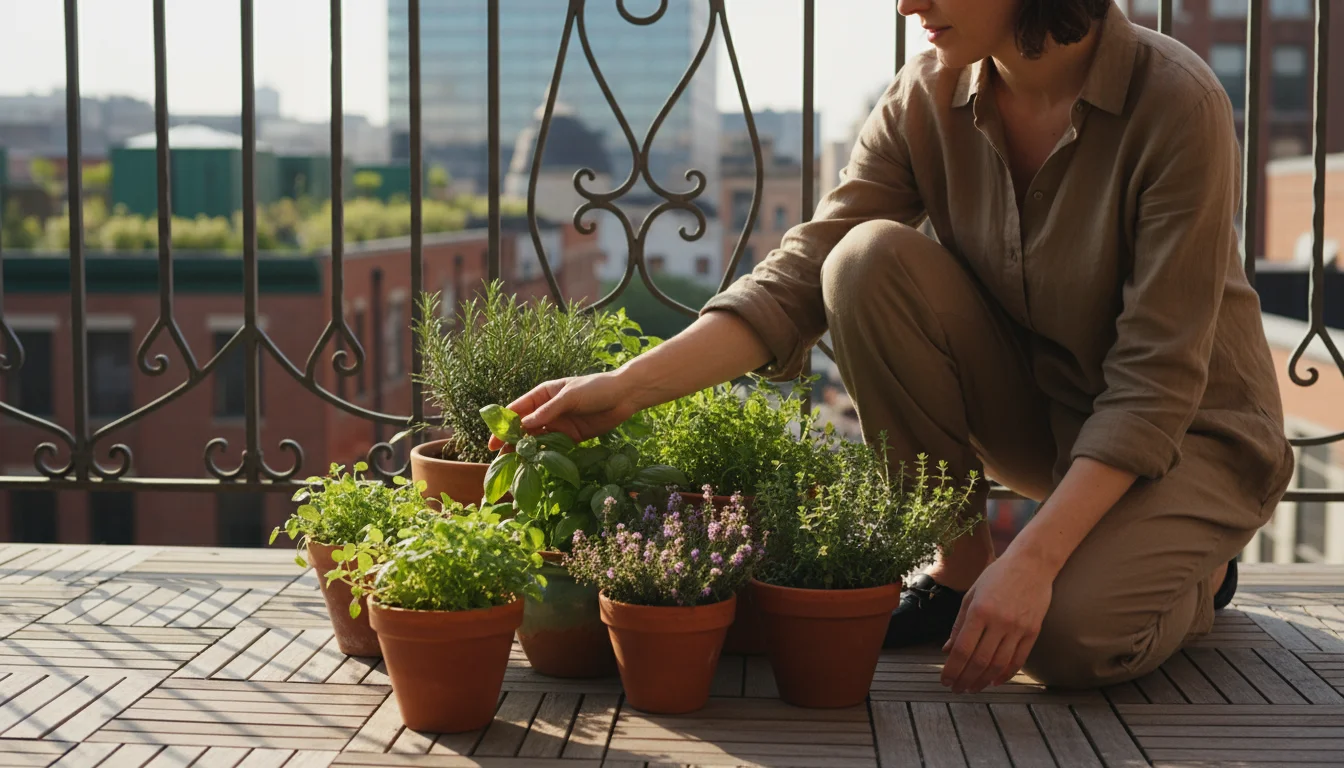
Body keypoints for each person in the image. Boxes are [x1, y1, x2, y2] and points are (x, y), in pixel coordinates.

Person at [493, 0, 1295, 693]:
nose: (906, 5)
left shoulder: (1175, 103)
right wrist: (626, 387)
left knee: (1061, 642)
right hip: (1050, 422)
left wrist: (1039, 563)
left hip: (1192, 438)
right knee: (864, 260)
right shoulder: (926, 94)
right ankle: (958, 570)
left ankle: (1199, 572)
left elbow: (1156, 383)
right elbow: (801, 274)